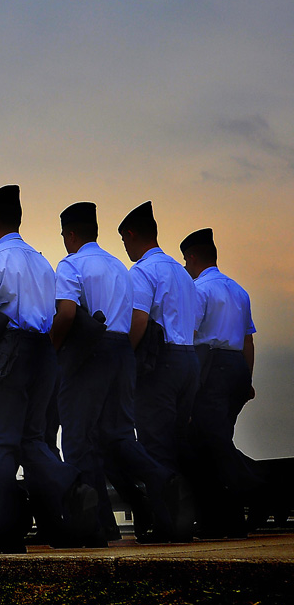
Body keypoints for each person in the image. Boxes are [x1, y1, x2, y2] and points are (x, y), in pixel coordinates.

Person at [0, 186, 95, 553]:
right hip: (43, 354)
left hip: (8, 355)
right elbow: (59, 310)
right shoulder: (41, 261)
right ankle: (72, 484)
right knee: (31, 439)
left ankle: (1, 533)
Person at [52, 202, 190, 543]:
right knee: (117, 435)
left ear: (70, 234)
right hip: (121, 352)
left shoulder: (71, 265)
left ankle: (95, 526)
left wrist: (53, 349)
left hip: (88, 354)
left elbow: (67, 314)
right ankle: (161, 477)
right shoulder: (120, 268)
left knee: (78, 439)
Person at [181, 228, 264, 537]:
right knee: (212, 441)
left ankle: (255, 485)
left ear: (191, 257)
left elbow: (191, 337)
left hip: (211, 365)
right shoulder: (239, 290)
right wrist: (248, 379)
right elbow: (248, 341)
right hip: (236, 367)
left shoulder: (199, 290)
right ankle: (223, 519)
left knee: (208, 440)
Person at [119, 202, 200, 480]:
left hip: (161, 363)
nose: (125, 248)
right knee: (179, 441)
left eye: (123, 241)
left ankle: (168, 519)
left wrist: (124, 357)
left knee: (156, 445)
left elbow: (138, 320)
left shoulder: (142, 271)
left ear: (131, 234)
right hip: (189, 360)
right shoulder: (182, 272)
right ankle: (199, 512)